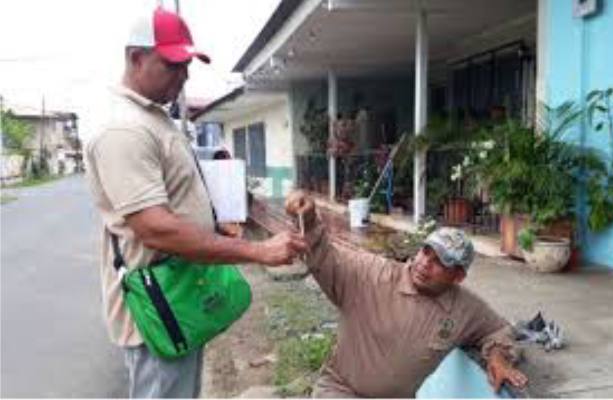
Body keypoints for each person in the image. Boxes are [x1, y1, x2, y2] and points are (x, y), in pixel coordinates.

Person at [84, 7, 307, 398]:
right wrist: (257, 250)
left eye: (186, 64)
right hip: (157, 303)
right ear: (136, 58)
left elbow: (172, 200)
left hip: (180, 292)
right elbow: (154, 228)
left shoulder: (153, 117)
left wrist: (211, 226)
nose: (183, 75)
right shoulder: (124, 128)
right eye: (172, 65)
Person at [285, 190, 528, 398]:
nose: (424, 263)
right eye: (426, 252)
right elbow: (326, 255)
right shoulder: (373, 275)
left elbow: (497, 330)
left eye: (440, 262)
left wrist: (498, 357)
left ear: (458, 277)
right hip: (341, 391)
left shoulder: (464, 308)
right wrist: (308, 217)